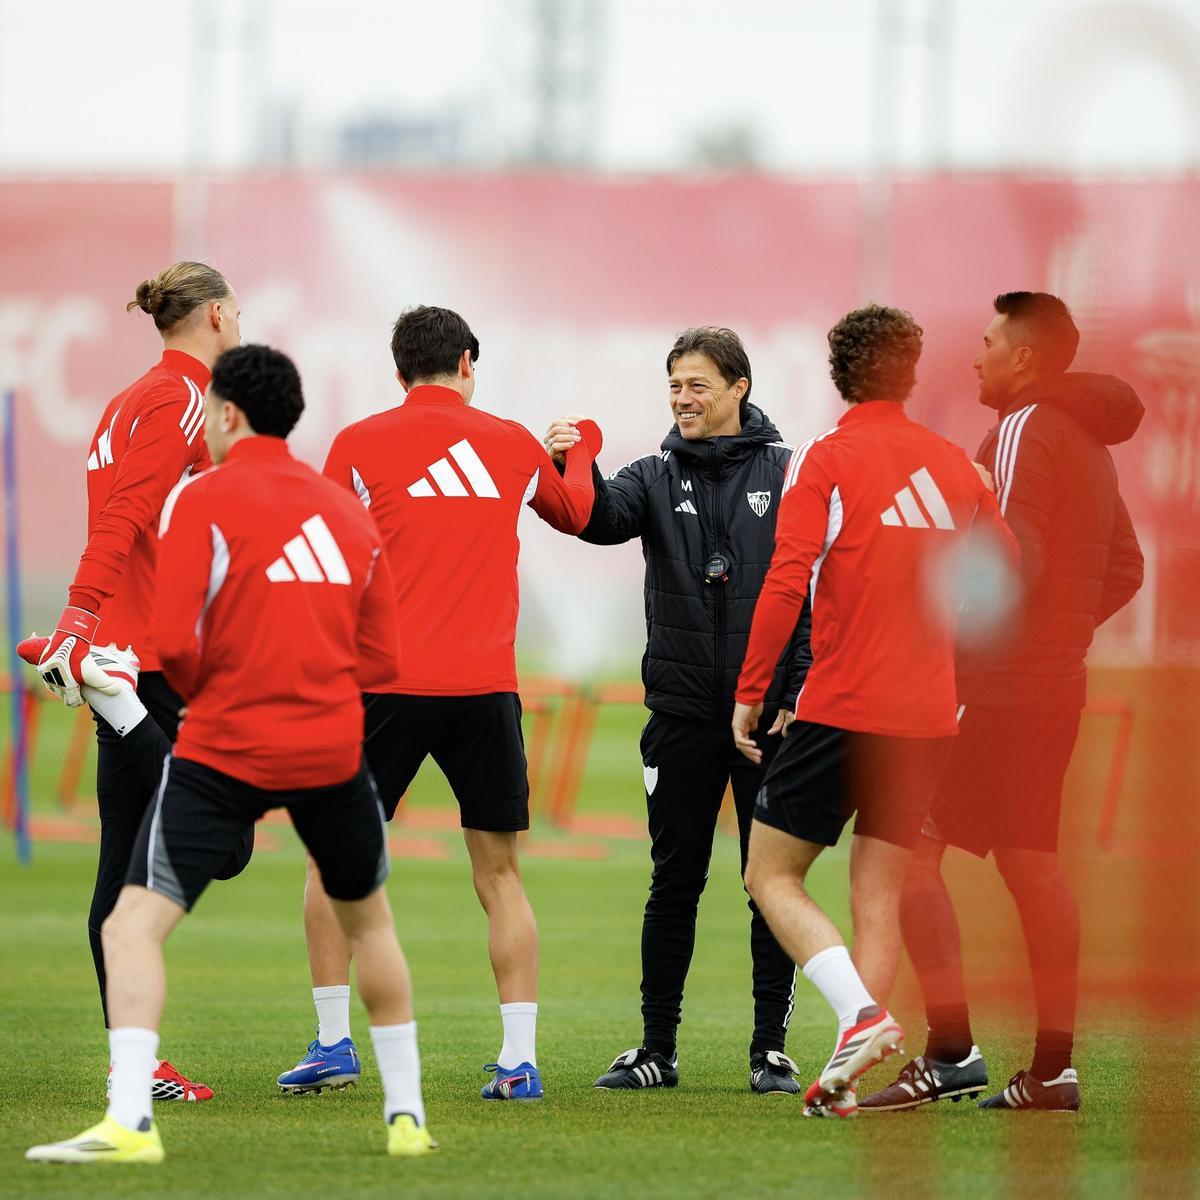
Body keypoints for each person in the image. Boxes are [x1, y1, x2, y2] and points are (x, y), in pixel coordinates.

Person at [27, 344, 435, 1164]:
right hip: (329, 747)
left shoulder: (201, 500)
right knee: (374, 925)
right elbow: (385, 660)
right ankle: (406, 1119)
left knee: (132, 924)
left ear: (227, 414)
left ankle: (130, 1122)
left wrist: (200, 684)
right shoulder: (344, 510)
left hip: (226, 743)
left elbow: (173, 642)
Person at [276, 305, 601, 1102]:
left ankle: (332, 1043)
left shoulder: (357, 443)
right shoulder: (515, 442)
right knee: (500, 875)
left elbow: (321, 547)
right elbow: (580, 513)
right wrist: (582, 444)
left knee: (331, 860)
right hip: (486, 688)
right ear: (466, 362)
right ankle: (519, 1061)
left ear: (398, 371)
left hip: (383, 685)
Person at [732, 304, 1018, 1119]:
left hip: (843, 706)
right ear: (913, 373)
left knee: (770, 873)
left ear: (839, 375)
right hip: (927, 717)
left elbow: (788, 580)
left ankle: (860, 1016)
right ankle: (844, 1073)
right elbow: (1004, 577)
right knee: (879, 894)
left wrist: (752, 694)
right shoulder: (956, 468)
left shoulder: (827, 458)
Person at [861, 292, 1144, 1114]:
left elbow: (1009, 556)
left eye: (988, 343)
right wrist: (1056, 639)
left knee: (905, 847)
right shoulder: (1089, 442)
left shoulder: (1023, 429)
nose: (977, 356)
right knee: (1034, 867)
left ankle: (949, 1051)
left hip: (995, 686)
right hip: (1054, 684)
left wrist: (948, 631)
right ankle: (1053, 1070)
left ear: (1022, 357)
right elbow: (1125, 570)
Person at [545, 326, 811, 1095]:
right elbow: (594, 518)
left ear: (739, 388)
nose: (682, 400)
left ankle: (770, 1051)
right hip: (683, 717)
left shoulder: (789, 476)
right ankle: (657, 1047)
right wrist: (572, 459)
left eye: (696, 385)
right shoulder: (653, 474)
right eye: (674, 387)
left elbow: (810, 597)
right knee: (674, 883)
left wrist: (792, 693)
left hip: (768, 723)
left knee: (771, 884)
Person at [29, 261, 250, 1103]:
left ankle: (136, 1066)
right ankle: (138, 1064)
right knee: (225, 841)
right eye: (240, 311)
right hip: (154, 662)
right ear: (220, 316)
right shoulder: (180, 399)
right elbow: (124, 517)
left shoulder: (128, 400)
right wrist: (80, 616)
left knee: (125, 870)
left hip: (126, 657)